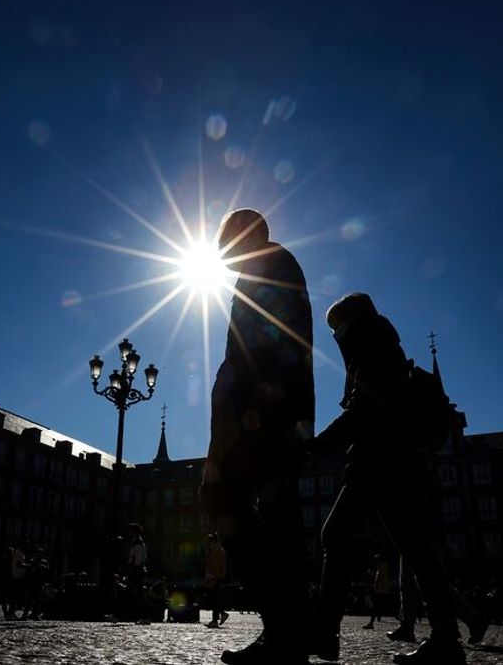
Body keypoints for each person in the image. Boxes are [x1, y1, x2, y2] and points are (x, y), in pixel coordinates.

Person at [308, 293, 465, 664]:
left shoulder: (374, 347)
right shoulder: (376, 346)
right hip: (389, 462)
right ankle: (446, 639)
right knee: (415, 550)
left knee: (338, 535)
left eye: (338, 326)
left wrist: (319, 444)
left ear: (355, 318)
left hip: (379, 461)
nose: (336, 335)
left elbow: (364, 410)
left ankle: (326, 634)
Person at [199, 208, 315, 665]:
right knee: (274, 519)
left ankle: (285, 629)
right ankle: (289, 631)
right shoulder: (264, 269)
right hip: (264, 419)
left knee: (232, 504)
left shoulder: (271, 267)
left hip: (260, 422)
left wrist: (253, 410)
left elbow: (269, 346)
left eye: (225, 241)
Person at [204, 533, 229, 628]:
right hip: (216, 576)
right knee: (214, 599)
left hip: (215, 577)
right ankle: (220, 615)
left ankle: (217, 619)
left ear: (211, 541)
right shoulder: (217, 549)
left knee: (213, 599)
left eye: (207, 541)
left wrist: (212, 576)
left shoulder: (216, 550)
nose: (206, 543)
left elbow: (216, 565)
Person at [125, 524, 150, 624]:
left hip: (136, 571)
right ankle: (144, 617)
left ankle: (118, 615)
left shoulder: (138, 543)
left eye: (131, 530)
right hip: (137, 570)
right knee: (137, 594)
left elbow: (138, 559)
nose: (129, 532)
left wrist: (132, 567)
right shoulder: (138, 542)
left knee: (135, 593)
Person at [363, 553, 391, 629]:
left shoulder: (381, 566)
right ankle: (374, 620)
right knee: (380, 606)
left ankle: (371, 623)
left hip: (380, 589)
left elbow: (379, 577)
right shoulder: (384, 566)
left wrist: (376, 584)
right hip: (384, 589)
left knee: (376, 606)